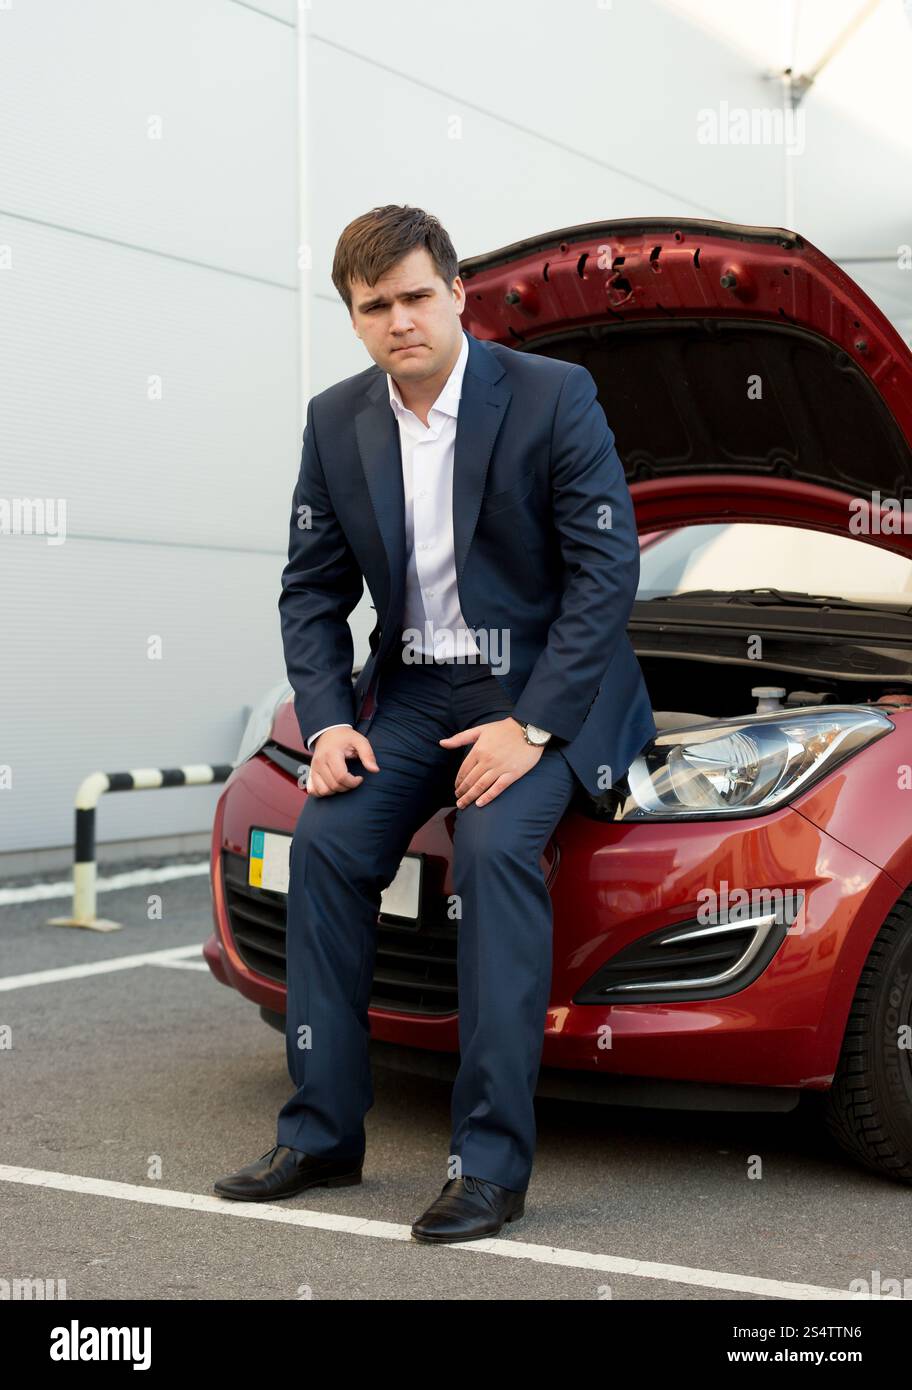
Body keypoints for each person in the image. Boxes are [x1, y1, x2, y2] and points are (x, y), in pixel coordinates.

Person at [214, 204, 656, 1242]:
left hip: (545, 684)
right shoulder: (336, 420)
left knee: (495, 853)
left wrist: (533, 726)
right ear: (356, 320)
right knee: (323, 845)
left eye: (417, 295)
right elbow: (310, 592)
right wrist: (327, 725)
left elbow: (605, 572)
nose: (400, 319)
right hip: (411, 692)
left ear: (458, 293)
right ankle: (322, 1130)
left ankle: (488, 1163)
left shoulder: (552, 396)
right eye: (376, 306)